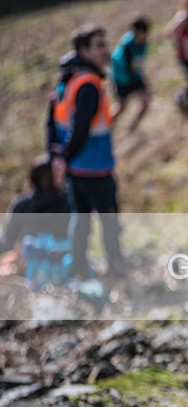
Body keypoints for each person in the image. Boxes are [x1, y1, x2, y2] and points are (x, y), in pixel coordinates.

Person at [49, 24, 126, 279]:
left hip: (74, 170)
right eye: (100, 46)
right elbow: (81, 129)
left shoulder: (66, 82)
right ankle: (116, 271)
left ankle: (78, 270)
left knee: (80, 223)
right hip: (95, 168)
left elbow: (52, 123)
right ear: (84, 50)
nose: (106, 51)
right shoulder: (89, 85)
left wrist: (58, 158)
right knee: (109, 224)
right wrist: (65, 158)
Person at [0, 156, 71, 276]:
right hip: (57, 260)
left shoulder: (21, 203)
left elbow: (7, 238)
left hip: (25, 262)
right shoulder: (67, 202)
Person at [110, 17, 151, 132]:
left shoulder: (144, 43)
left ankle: (133, 125)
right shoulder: (125, 47)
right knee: (122, 107)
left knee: (146, 100)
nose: (144, 36)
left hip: (135, 77)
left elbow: (139, 63)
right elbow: (115, 63)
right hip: (122, 79)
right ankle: (107, 126)